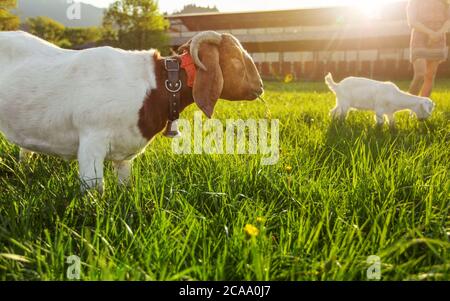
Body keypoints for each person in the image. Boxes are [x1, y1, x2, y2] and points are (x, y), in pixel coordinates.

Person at [407, 0, 450, 97]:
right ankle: (409, 106)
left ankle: (423, 106)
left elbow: (448, 20)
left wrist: (438, 34)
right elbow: (412, 21)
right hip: (420, 39)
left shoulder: (445, 1)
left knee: (430, 76)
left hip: (438, 39)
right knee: (420, 74)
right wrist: (431, 33)